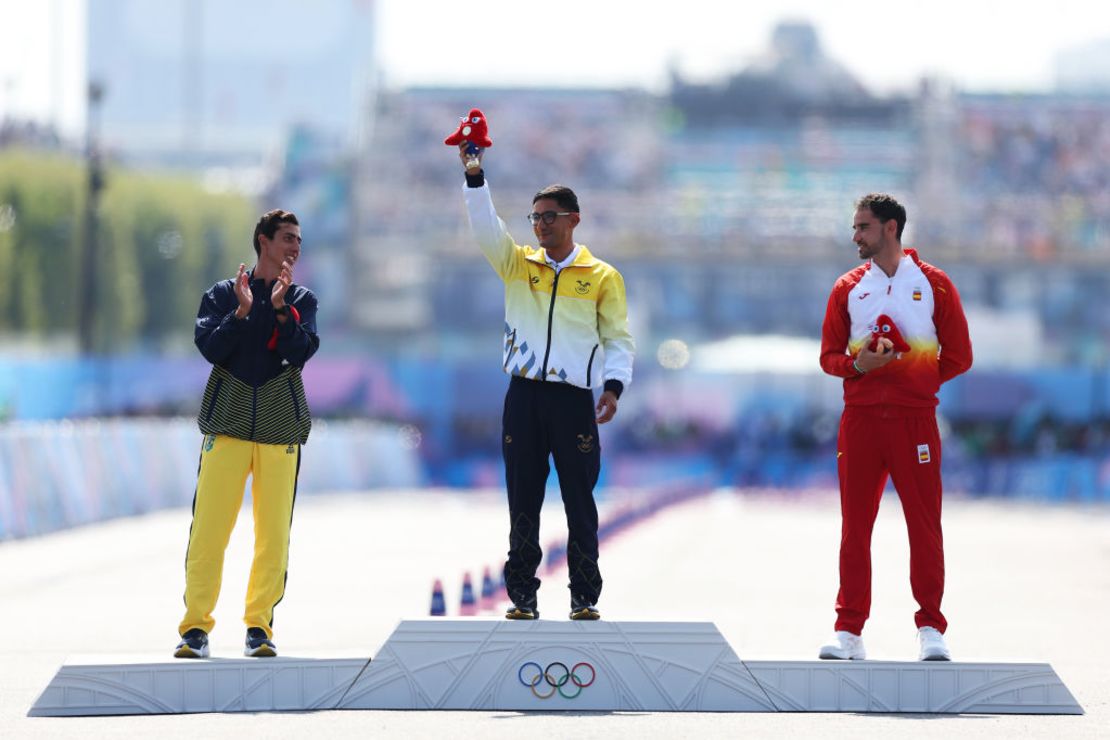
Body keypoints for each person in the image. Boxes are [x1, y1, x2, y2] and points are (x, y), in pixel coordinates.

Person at [458, 143, 634, 621]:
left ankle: (584, 596)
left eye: (550, 216)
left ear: (574, 219)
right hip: (523, 396)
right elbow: (485, 229)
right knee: (523, 498)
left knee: (579, 499)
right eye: (534, 218)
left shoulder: (601, 277)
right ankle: (522, 595)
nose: (540, 225)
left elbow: (618, 337)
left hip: (574, 400)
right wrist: (475, 175)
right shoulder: (518, 265)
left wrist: (614, 387)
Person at [818, 193, 972, 661]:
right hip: (861, 422)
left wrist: (915, 380)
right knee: (855, 528)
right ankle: (849, 631)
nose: (855, 236)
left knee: (924, 526)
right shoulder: (848, 287)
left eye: (862, 227)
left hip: (915, 422)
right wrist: (858, 366)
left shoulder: (934, 284)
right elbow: (828, 358)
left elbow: (960, 356)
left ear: (890, 228)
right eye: (854, 227)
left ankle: (931, 628)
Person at [174, 209, 319, 658]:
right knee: (209, 533)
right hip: (228, 425)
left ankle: (259, 628)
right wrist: (241, 312)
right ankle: (195, 629)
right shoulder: (221, 295)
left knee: (273, 537)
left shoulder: (302, 299)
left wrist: (278, 309)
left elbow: (301, 352)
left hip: (280, 430)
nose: (295, 247)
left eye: (298, 239)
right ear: (263, 241)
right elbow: (212, 349)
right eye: (287, 238)